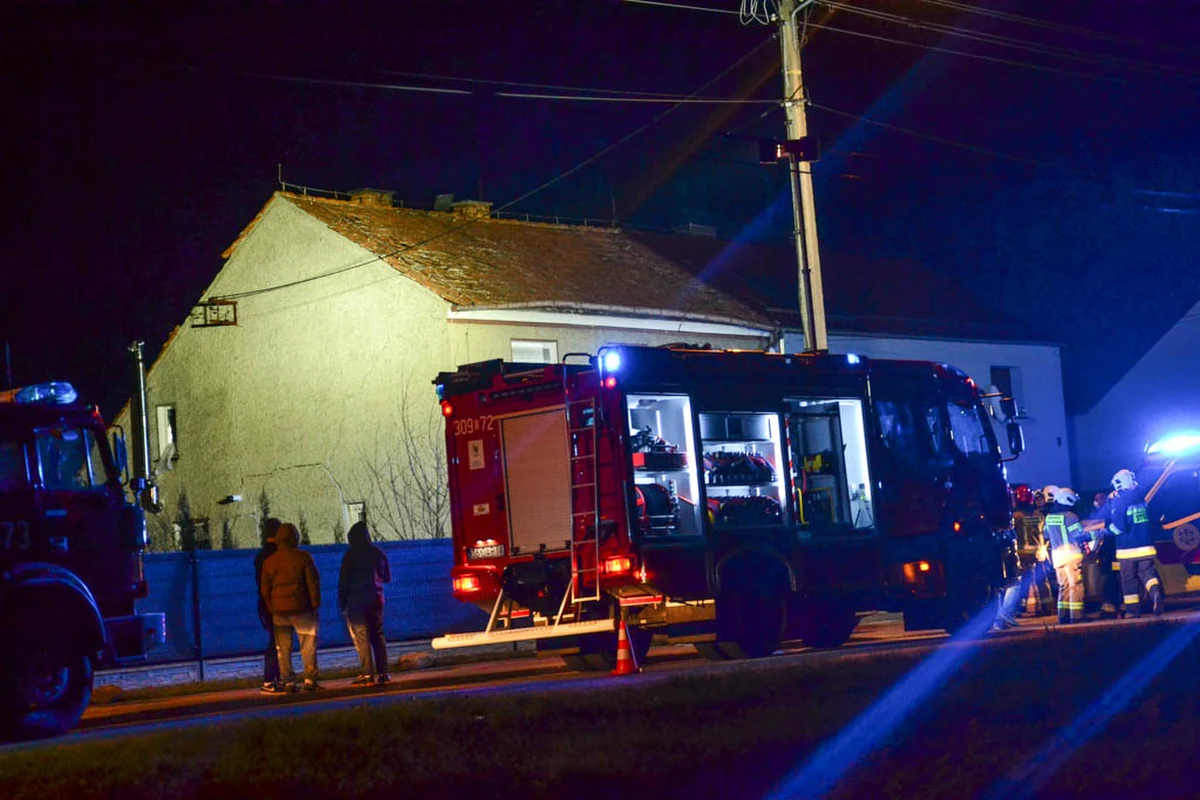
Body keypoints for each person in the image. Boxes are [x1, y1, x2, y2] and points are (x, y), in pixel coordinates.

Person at [260, 521, 323, 690]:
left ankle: (288, 681)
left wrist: (272, 606)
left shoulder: (270, 562)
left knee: (283, 649)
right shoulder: (303, 558)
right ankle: (310, 681)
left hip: (279, 612)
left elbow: (265, 589)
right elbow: (313, 583)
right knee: (308, 646)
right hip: (303, 610)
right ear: (295, 538)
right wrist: (315, 605)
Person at [338, 519, 392, 686]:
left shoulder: (350, 555)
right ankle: (384, 673)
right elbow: (386, 577)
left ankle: (367, 674)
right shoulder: (378, 552)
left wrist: (343, 604)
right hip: (375, 600)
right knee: (378, 636)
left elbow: (344, 582)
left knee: (362, 638)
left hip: (356, 602)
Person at [1107, 468, 1164, 618]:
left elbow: (1118, 528)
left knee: (1129, 580)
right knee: (1148, 574)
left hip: (1127, 549)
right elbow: (1153, 520)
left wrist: (1106, 529)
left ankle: (1132, 611)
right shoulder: (1142, 499)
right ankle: (1155, 592)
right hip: (1146, 546)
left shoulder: (1119, 502)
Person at [1042, 487, 1092, 624]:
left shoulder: (1049, 517)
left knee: (1063, 586)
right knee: (1075, 585)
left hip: (1057, 557)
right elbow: (1079, 534)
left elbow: (1046, 535)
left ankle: (1062, 616)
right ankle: (1077, 616)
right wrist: (1092, 534)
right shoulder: (1070, 516)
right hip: (1071, 555)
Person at [254, 517, 283, 693]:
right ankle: (272, 678)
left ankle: (273, 677)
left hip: (265, 603)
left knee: (275, 640)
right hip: (278, 602)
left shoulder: (260, 557)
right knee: (278, 642)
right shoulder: (278, 555)